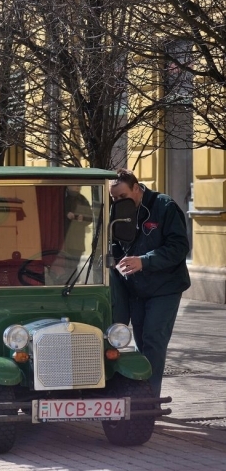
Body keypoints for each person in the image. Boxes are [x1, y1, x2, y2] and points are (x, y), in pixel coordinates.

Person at [109, 168, 190, 398]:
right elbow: (114, 244)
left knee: (154, 340)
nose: (118, 201)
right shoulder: (117, 211)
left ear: (137, 187)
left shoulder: (164, 206)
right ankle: (141, 394)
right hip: (135, 287)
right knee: (140, 343)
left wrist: (144, 261)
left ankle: (149, 400)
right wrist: (116, 262)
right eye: (114, 198)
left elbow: (179, 247)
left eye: (122, 196)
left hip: (165, 287)